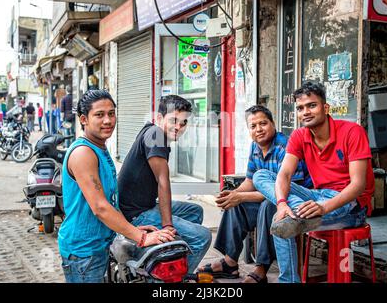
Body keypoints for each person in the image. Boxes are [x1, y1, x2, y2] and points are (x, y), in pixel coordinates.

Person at [254, 81, 374, 283]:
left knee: (283, 223)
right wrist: (282, 203)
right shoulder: (299, 136)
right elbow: (284, 175)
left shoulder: (352, 132)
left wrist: (323, 208)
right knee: (261, 176)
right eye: (300, 108)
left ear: (325, 108)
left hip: (350, 205)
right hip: (317, 195)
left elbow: (358, 185)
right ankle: (294, 209)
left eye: (312, 105)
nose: (305, 112)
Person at [58, 89, 175, 283]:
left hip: (99, 245)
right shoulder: (83, 153)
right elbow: (100, 208)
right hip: (83, 252)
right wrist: (141, 237)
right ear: (83, 119)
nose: (108, 120)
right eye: (99, 115)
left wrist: (127, 228)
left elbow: (110, 202)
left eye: (111, 114)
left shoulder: (100, 148)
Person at [198, 105, 312, 283]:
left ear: (273, 124)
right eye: (253, 126)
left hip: (292, 201)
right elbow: (250, 181)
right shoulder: (255, 147)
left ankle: (261, 268)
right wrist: (233, 194)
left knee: (267, 207)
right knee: (234, 202)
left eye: (263, 123)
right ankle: (230, 262)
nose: (258, 129)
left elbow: (286, 191)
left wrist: (241, 196)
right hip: (271, 198)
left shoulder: (286, 147)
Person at [117, 95, 212, 274]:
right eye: (174, 120)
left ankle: (168, 260)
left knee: (195, 211)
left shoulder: (152, 131)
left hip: (143, 206)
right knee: (203, 237)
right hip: (137, 215)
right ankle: (173, 279)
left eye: (183, 123)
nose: (179, 127)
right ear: (159, 118)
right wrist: (168, 225)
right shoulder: (156, 134)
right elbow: (163, 182)